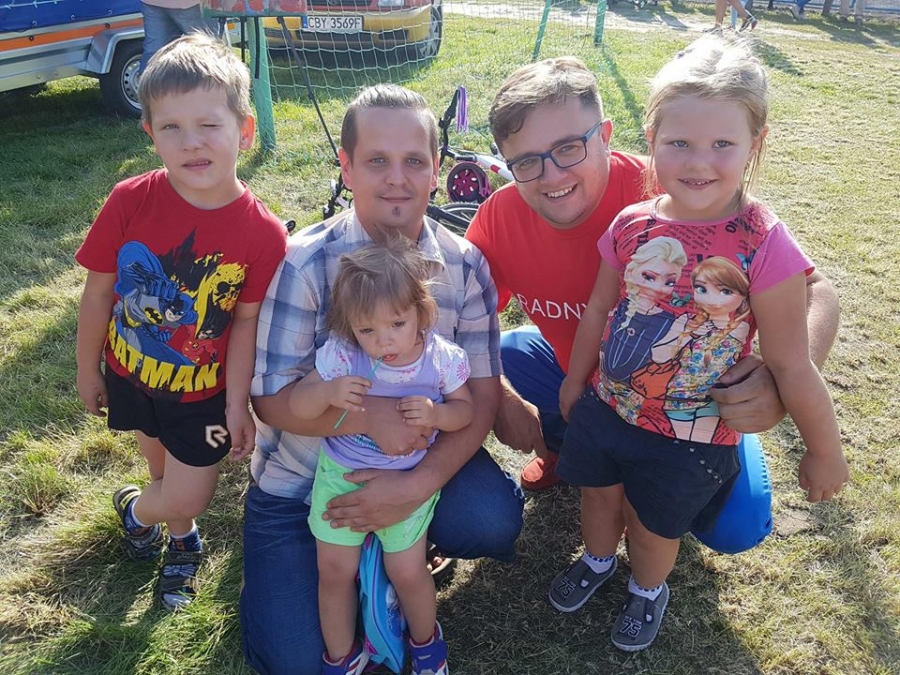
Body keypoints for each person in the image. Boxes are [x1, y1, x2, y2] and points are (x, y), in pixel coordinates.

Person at [465, 55, 840, 554]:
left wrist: (778, 382)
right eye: (526, 161)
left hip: (690, 393)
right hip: (591, 377)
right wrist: (502, 397)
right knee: (507, 354)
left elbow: (819, 291)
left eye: (569, 147)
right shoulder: (500, 216)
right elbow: (456, 317)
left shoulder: (678, 183)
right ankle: (565, 446)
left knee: (735, 528)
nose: (551, 175)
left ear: (606, 135)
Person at [549, 34, 849, 652]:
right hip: (609, 407)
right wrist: (576, 381)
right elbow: (601, 308)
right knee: (598, 498)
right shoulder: (631, 223)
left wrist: (825, 450)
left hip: (692, 434)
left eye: (722, 144)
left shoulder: (764, 241)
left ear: (755, 145)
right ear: (652, 139)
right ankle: (598, 561)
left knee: (651, 526)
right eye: (679, 142)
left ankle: (646, 590)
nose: (698, 161)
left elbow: (792, 364)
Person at [242, 84, 524, 675]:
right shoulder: (303, 262)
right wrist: (370, 417)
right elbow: (269, 400)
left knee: (491, 521)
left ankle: (402, 551)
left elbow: (478, 398)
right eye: (376, 161)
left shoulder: (465, 266)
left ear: (436, 171)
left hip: (417, 459)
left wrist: (417, 483)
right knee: (294, 661)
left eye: (414, 161)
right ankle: (351, 568)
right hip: (303, 482)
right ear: (345, 168)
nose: (397, 179)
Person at [74, 33, 288, 610]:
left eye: (208, 125)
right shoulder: (129, 199)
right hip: (131, 375)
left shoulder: (264, 234)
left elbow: (245, 324)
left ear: (244, 130)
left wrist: (236, 403)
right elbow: (98, 294)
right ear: (150, 134)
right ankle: (182, 541)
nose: (191, 142)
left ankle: (137, 512)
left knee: (187, 493)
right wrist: (88, 369)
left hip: (203, 397)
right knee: (161, 470)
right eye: (171, 127)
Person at [293, 238, 471, 674]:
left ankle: (426, 645)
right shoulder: (343, 355)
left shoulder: (440, 359)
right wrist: (327, 392)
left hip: (408, 478)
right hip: (341, 475)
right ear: (350, 326)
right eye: (367, 330)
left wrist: (437, 414)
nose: (383, 341)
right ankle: (342, 657)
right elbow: (298, 406)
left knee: (407, 571)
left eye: (396, 323)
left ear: (421, 313)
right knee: (334, 571)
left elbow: (466, 412)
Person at [139, 1, 219, 74]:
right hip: (191, 4)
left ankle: (147, 83)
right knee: (206, 50)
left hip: (152, 3)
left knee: (155, 53)